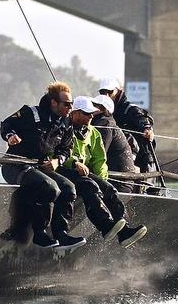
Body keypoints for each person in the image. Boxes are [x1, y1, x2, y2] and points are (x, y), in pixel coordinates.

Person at [0, 82, 83, 250]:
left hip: (40, 167)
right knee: (49, 187)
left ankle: (61, 234)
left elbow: (67, 148)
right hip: (15, 164)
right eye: (67, 104)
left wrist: (57, 161)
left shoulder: (66, 122)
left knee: (68, 188)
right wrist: (10, 136)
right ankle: (39, 233)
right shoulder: (30, 113)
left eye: (71, 104)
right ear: (54, 103)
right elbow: (6, 124)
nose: (70, 107)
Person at [58, 96, 148, 248]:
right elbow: (58, 151)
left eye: (92, 113)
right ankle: (106, 226)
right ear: (75, 113)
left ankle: (124, 231)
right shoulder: (64, 128)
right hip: (65, 169)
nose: (91, 116)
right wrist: (74, 163)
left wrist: (101, 180)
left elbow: (100, 160)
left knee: (109, 188)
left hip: (83, 172)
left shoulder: (93, 132)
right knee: (90, 187)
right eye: (87, 113)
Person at [98, 77, 155, 174]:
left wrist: (147, 128)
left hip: (139, 160)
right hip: (113, 157)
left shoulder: (130, 109)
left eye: (110, 91)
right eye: (103, 92)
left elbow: (142, 118)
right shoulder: (101, 111)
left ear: (118, 91)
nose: (106, 95)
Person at [90, 94, 138, 192]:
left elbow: (99, 154)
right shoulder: (105, 123)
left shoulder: (105, 125)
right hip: (119, 179)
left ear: (103, 110)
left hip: (119, 182)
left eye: (95, 105)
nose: (91, 108)